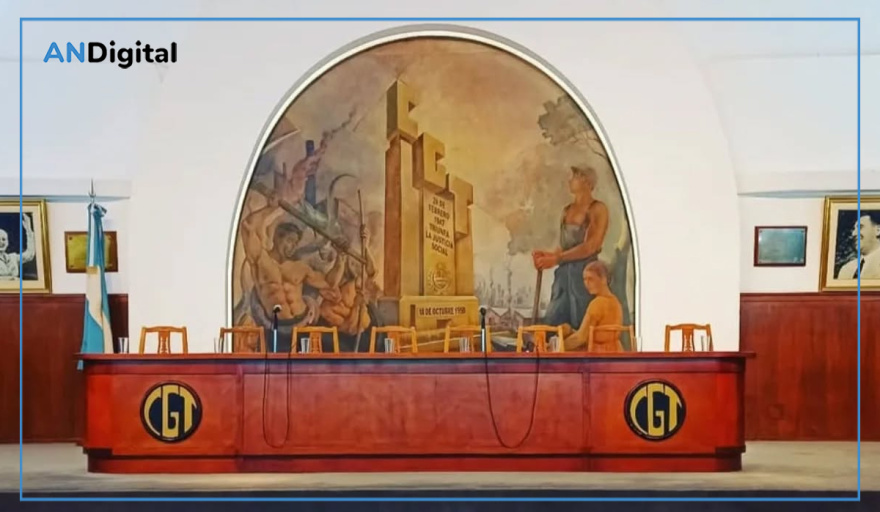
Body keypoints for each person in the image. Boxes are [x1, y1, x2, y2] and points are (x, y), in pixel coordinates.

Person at [240, 205, 341, 351]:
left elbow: (329, 283)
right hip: (277, 328)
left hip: (304, 325)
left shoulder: (300, 268)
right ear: (277, 238)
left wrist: (340, 259)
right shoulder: (261, 261)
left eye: (295, 243)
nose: (292, 246)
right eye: (289, 240)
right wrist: (270, 207)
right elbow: (247, 226)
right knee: (276, 364)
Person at [532, 165, 609, 329]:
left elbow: (591, 246)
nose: (570, 180)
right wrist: (547, 257)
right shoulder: (566, 211)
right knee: (554, 321)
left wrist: (557, 259)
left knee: (582, 323)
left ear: (587, 181)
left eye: (575, 177)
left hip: (585, 276)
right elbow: (563, 247)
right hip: (563, 278)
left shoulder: (598, 209)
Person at [560, 260, 623, 352]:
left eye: (591, 279)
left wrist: (556, 347)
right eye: (584, 279)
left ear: (604, 279)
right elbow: (595, 334)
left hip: (598, 354)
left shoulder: (597, 303)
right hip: (616, 351)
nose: (587, 283)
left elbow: (580, 338)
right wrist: (570, 331)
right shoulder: (616, 302)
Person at [838, 212, 880, 280]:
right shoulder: (846, 270)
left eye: (860, 227)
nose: (853, 234)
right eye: (854, 229)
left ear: (878, 230)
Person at [0, 215, 36, 280]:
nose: (1, 242)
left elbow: (30, 254)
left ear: (8, 242)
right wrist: (11, 279)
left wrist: (28, 229)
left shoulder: (13, 257)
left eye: (4, 239)